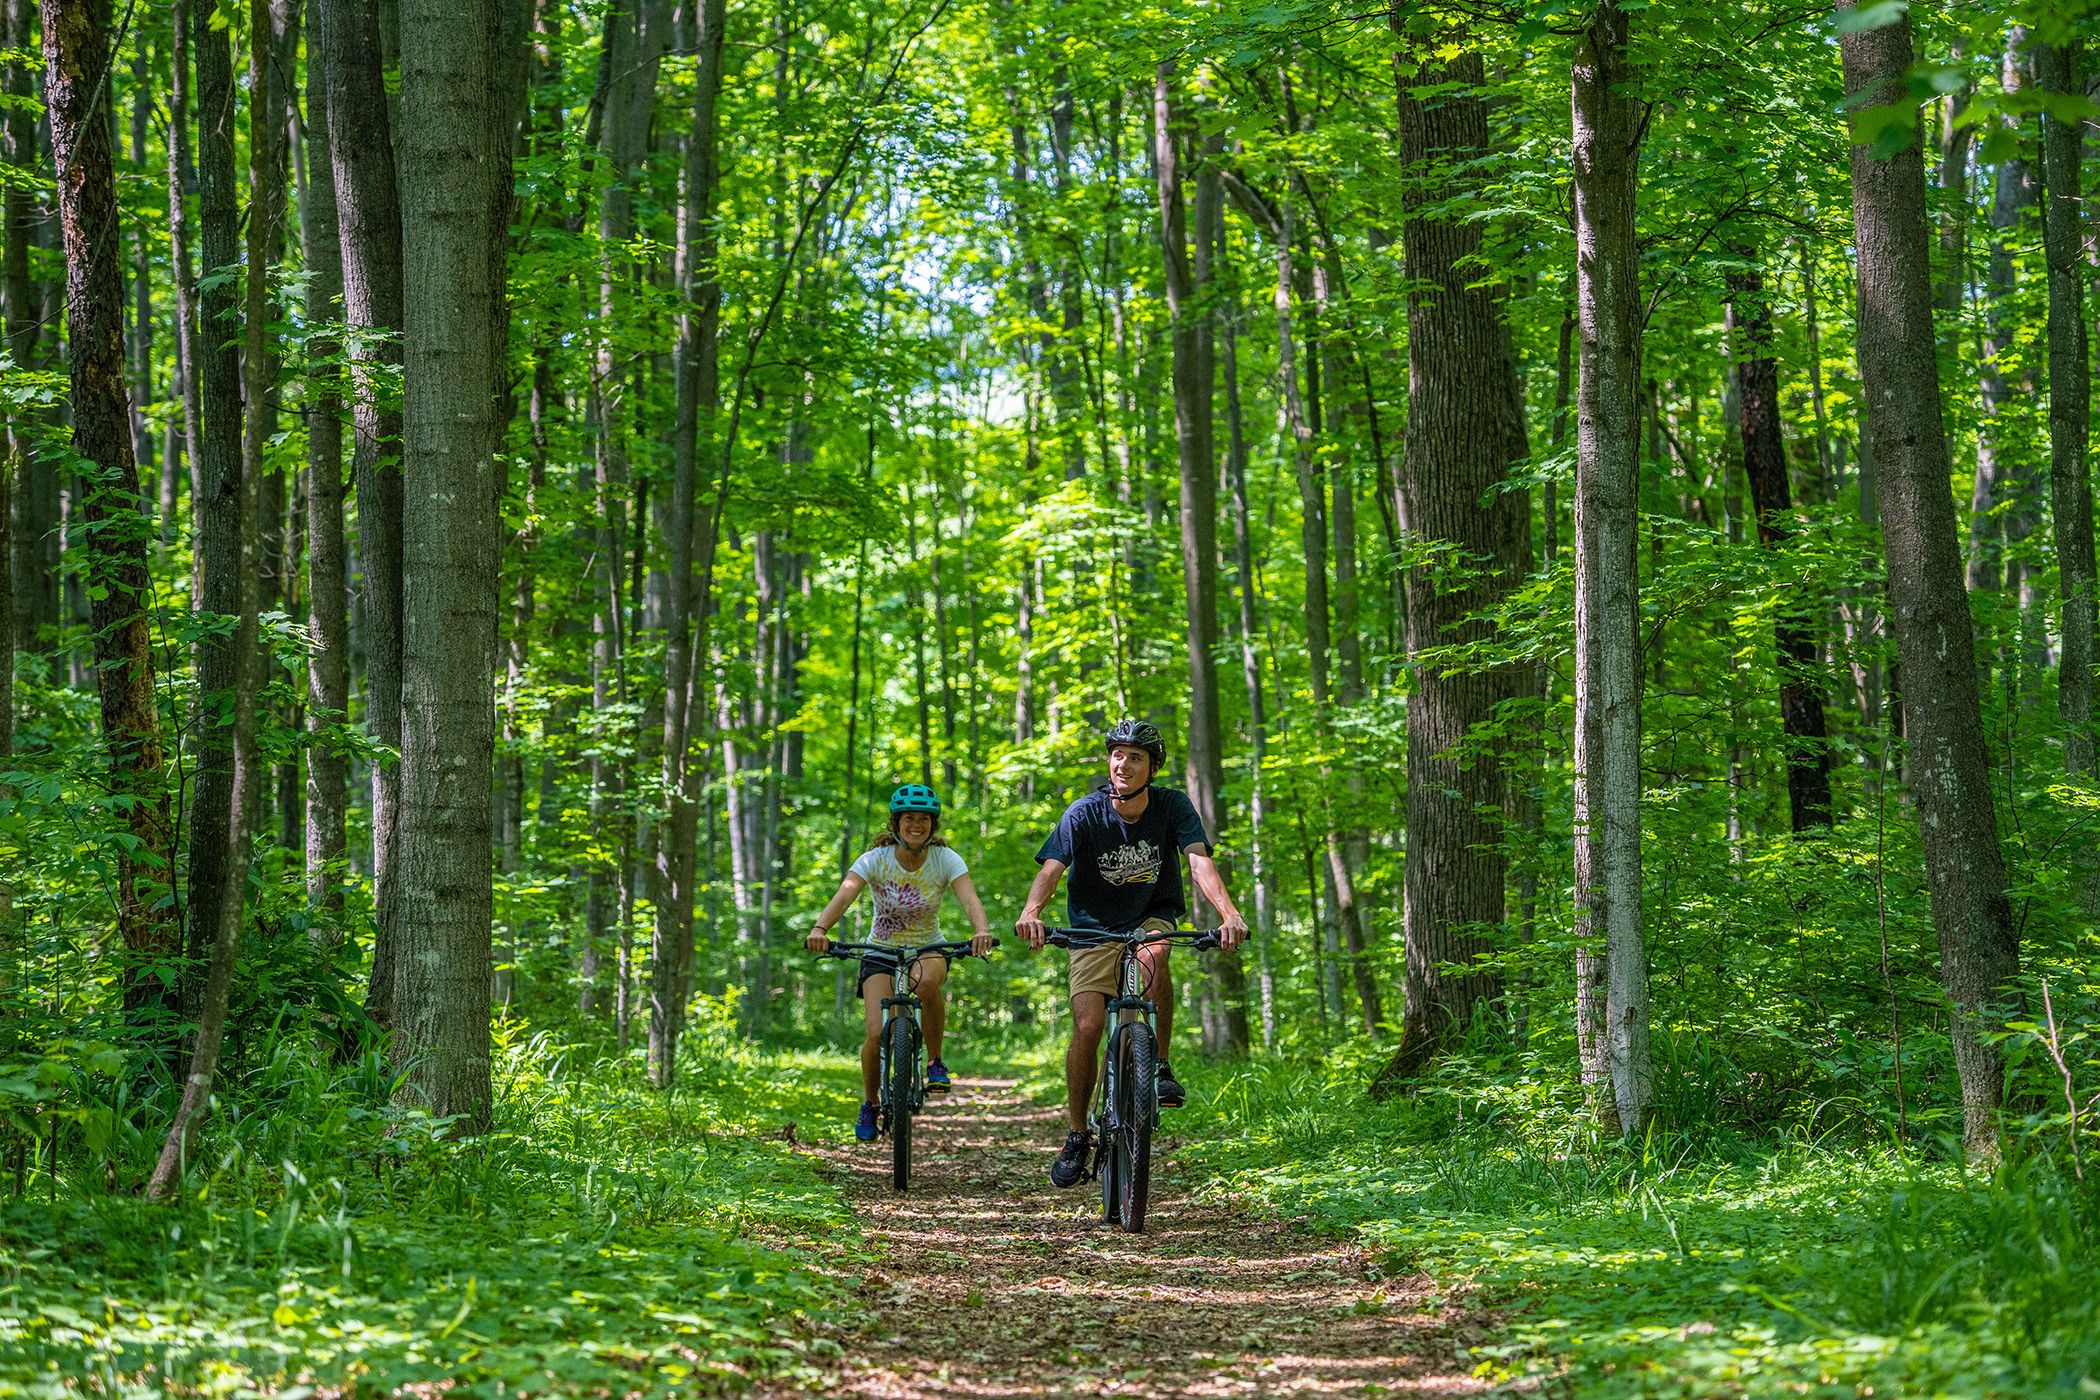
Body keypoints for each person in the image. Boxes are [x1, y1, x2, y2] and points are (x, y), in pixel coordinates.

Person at [1014, 719, 1250, 1188]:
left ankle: (1157, 1065)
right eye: (1118, 754)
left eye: (1136, 756)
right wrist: (1032, 910)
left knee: (1155, 951)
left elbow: (1199, 860)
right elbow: (1052, 868)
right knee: (1087, 1026)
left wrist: (1229, 914)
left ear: (1153, 767)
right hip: (1090, 928)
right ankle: (1078, 1133)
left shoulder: (1172, 807)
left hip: (1151, 915)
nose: (1124, 763)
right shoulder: (1083, 813)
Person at [806, 783, 995, 1142]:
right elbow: (845, 894)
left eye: (924, 819)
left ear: (932, 825)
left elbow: (969, 898)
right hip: (880, 949)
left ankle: (936, 1062)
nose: (916, 825)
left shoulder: (945, 859)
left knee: (925, 983)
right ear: (896, 823)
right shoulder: (875, 858)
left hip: (928, 946)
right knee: (876, 1033)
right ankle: (870, 1102)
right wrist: (820, 928)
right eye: (909, 818)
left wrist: (981, 930)